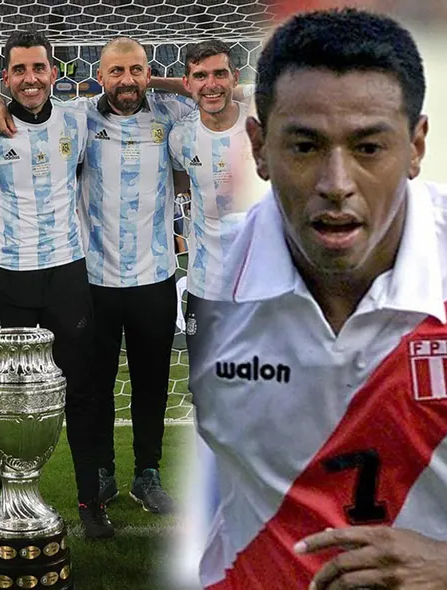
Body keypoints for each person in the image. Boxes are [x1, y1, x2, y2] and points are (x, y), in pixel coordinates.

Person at [187, 8, 447, 589]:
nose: (336, 181)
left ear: (416, 144)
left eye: (369, 147)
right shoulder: (205, 284)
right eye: (304, 147)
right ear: (258, 146)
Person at [0, 38, 247, 516]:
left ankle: (147, 472)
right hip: (95, 279)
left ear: (150, 74)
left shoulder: (170, 116)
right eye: (116, 72)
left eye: (137, 71)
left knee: (151, 382)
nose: (127, 81)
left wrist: (174, 82)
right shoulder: (78, 118)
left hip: (156, 276)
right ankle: (101, 472)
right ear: (97, 76)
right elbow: (29, 109)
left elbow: (218, 101)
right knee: (95, 383)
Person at [0, 30, 115, 539]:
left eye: (39, 68)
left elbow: (140, 95)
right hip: (6, 277)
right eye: (18, 71)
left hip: (67, 274)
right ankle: (11, 500)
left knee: (83, 390)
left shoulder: (78, 118)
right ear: (5, 77)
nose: (30, 79)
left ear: (55, 73)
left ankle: (90, 501)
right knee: (11, 394)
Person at [167, 40, 257, 341]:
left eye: (220, 74)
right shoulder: (181, 136)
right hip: (205, 286)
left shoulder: (262, 125)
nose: (211, 84)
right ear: (187, 83)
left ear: (235, 76)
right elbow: (184, 188)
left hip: (260, 288)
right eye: (200, 76)